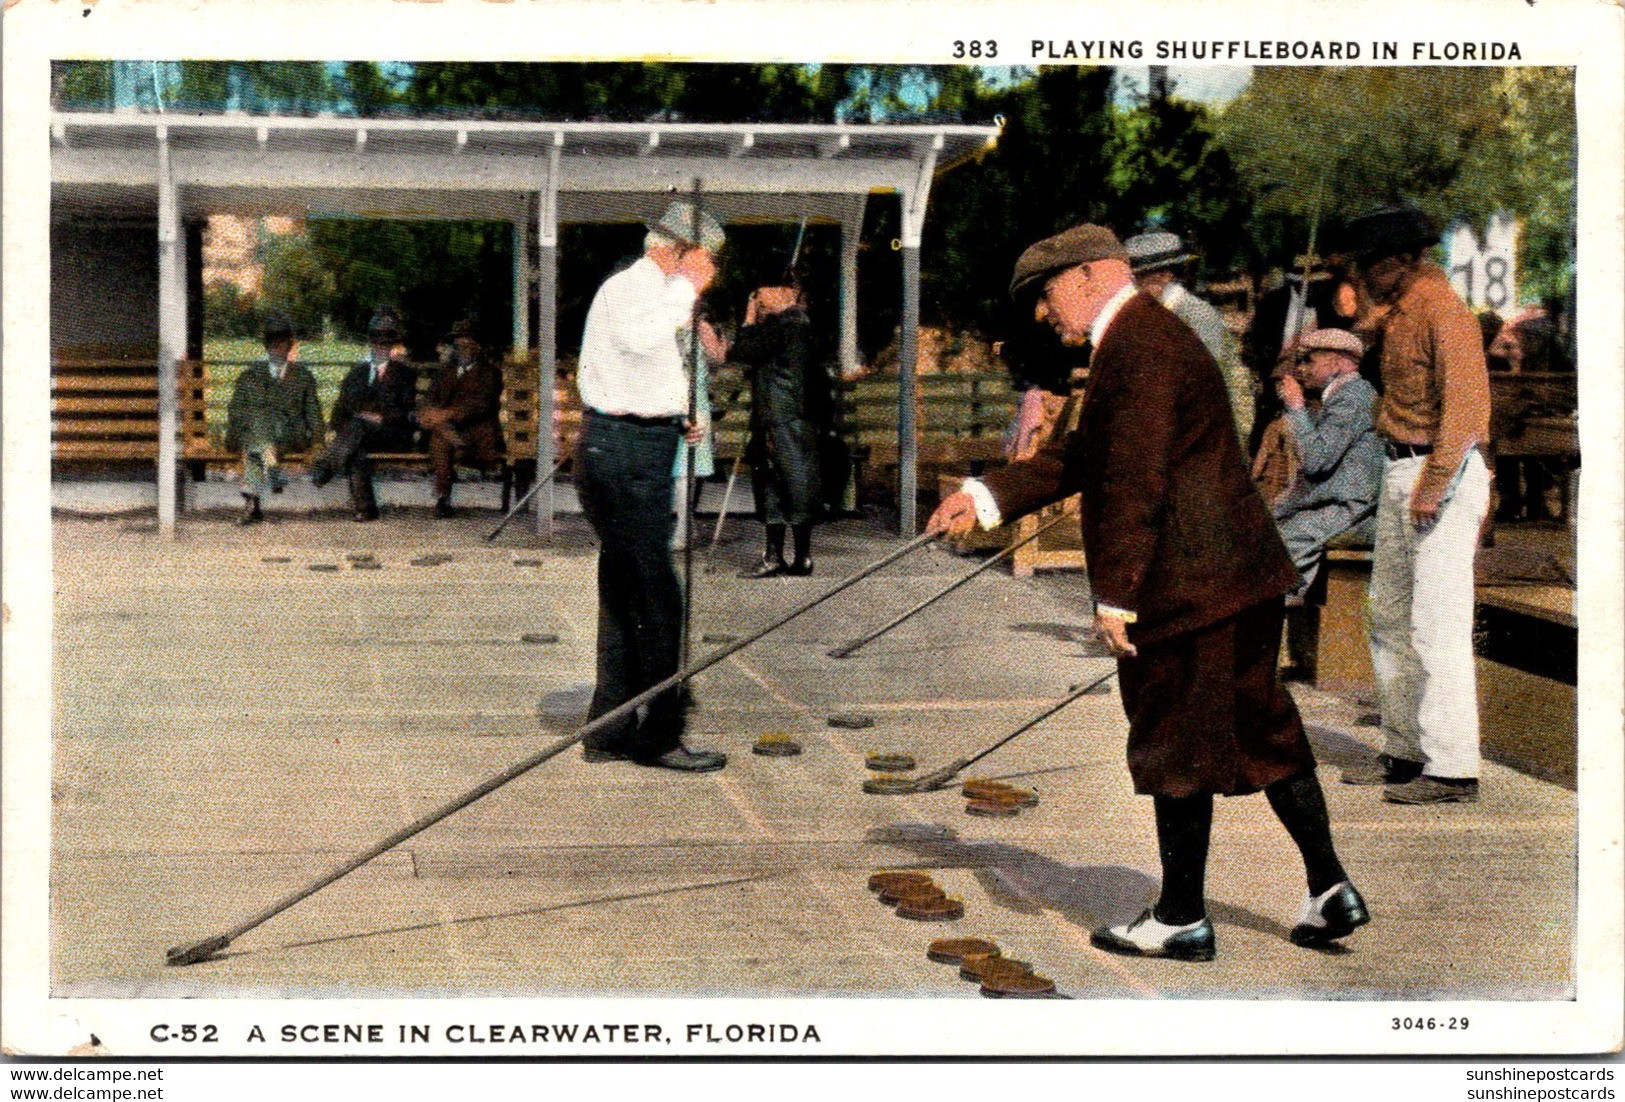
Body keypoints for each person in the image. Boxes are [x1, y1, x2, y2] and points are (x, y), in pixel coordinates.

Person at [929, 224, 1366, 961]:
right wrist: (986, 493)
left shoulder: (1138, 344)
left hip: (1187, 583)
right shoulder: (1139, 337)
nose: (1043, 312)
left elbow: (1134, 478)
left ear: (1093, 274)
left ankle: (1180, 916)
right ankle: (1329, 890)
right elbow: (1083, 452)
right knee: (1261, 726)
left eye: (1046, 292)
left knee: (1174, 741)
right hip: (1236, 574)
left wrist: (1116, 595)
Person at [1339, 204, 1492, 804]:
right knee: (1390, 618)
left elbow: (1467, 408)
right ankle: (1404, 749)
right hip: (1401, 467)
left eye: (1371, 265)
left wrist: (1434, 484)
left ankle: (1452, 766)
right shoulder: (1404, 309)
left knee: (1436, 625)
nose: (1362, 276)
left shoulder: (1443, 312)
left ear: (1400, 262)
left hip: (1438, 472)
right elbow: (1376, 329)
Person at [573, 201, 729, 773]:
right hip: (622, 453)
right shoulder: (632, 288)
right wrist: (686, 289)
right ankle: (658, 736)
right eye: (704, 261)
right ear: (677, 250)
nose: (710, 271)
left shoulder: (652, 294)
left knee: (625, 592)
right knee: (660, 597)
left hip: (635, 445)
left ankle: (608, 728)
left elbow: (643, 368)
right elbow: (641, 339)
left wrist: (676, 414)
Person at [1269, 328, 1384, 596]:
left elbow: (1316, 461)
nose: (1301, 369)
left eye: (1309, 359)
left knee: (1281, 547)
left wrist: (1296, 409)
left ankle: (1284, 619)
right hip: (1333, 507)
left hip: (1350, 511)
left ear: (1338, 362)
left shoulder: (1353, 398)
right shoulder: (1340, 398)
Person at [731, 282, 835, 577]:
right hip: (787, 416)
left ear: (783, 292)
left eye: (761, 294)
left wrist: (749, 317)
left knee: (781, 483)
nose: (758, 301)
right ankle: (795, 556)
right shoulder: (796, 325)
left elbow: (743, 349)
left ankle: (783, 556)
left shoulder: (785, 325)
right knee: (784, 481)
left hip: (781, 417)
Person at [1125, 231, 1255, 445]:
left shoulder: (1197, 316)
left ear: (1164, 276)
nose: (1133, 287)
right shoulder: (1153, 312)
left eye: (1139, 279)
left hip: (1208, 430)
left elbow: (1202, 382)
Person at [310, 306, 420, 522]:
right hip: (358, 436)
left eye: (385, 343)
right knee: (356, 448)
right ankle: (366, 509)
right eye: (376, 342)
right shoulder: (357, 373)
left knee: (357, 428)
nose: (380, 347)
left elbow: (407, 410)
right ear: (370, 343)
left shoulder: (404, 374)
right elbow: (341, 406)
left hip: (392, 434)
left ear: (391, 346)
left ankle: (325, 467)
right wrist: (333, 429)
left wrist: (381, 418)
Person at [224, 312, 323, 526]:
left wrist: (317, 443)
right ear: (266, 346)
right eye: (273, 342)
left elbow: (313, 412)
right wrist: (234, 440)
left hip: (290, 436)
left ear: (290, 346)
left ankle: (266, 467)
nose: (278, 347)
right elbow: (236, 411)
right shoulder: (249, 376)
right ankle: (257, 497)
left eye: (283, 342)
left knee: (255, 438)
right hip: (257, 437)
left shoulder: (303, 377)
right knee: (255, 442)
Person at [420, 317, 504, 519]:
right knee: (441, 436)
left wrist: (445, 414)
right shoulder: (445, 372)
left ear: (478, 346)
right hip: (446, 430)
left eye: (467, 341)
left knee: (439, 436)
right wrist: (428, 414)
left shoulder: (489, 373)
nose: (462, 345)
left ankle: (443, 498)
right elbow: (430, 398)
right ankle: (443, 497)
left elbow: (480, 405)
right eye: (458, 341)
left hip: (475, 431)